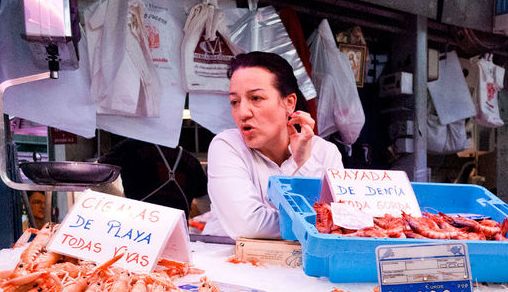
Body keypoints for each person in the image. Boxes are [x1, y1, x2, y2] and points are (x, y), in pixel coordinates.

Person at [202, 51, 344, 239]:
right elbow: (248, 225)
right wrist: (314, 223)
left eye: (256, 98)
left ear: (289, 103)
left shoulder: (325, 152)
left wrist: (304, 164)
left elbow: (339, 223)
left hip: (298, 267)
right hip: (231, 263)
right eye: (235, 102)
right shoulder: (226, 146)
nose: (242, 112)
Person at [98, 135, 208, 218]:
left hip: (136, 228)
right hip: (177, 230)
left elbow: (93, 177)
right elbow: (205, 204)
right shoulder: (192, 160)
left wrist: (121, 202)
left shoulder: (128, 148)